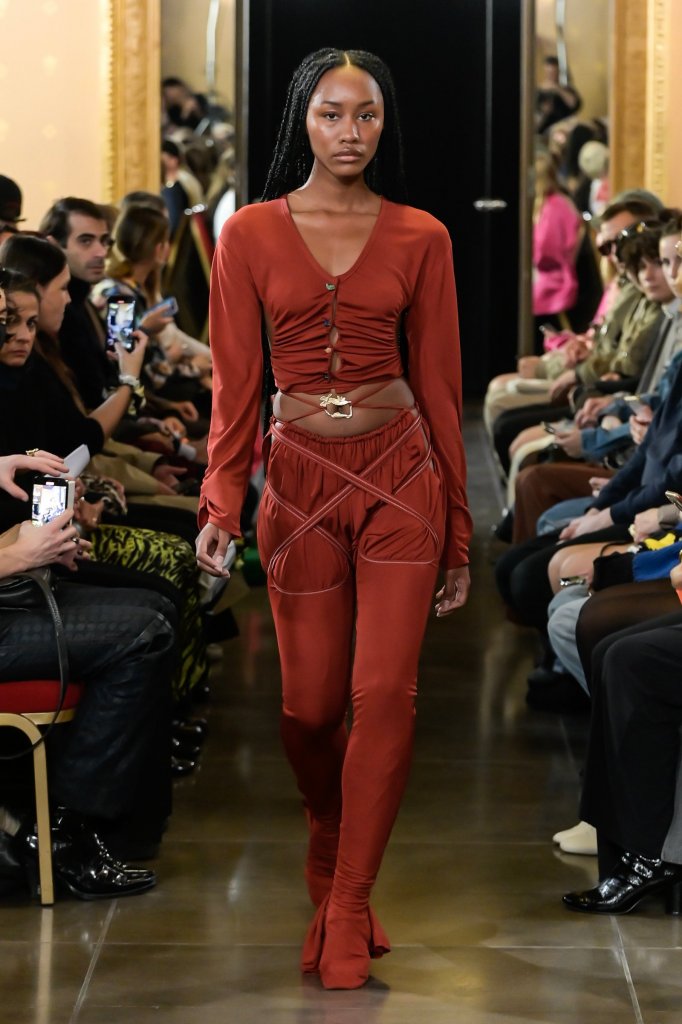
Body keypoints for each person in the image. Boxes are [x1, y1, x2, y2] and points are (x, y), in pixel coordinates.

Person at [196, 48, 472, 990]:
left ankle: (350, 899)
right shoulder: (249, 234)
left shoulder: (423, 235)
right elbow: (235, 385)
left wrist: (459, 531)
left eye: (366, 115)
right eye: (330, 114)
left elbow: (442, 387)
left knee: (384, 695)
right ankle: (327, 828)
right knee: (310, 709)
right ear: (301, 122)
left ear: (384, 124)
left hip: (403, 478)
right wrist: (221, 498)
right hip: (300, 482)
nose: (350, 132)